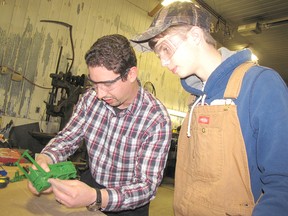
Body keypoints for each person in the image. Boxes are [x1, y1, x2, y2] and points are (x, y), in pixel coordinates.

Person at [131, 2, 288, 216]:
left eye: (165, 49)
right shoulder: (195, 99)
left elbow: (282, 183)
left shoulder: (260, 84)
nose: (164, 63)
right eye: (159, 55)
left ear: (195, 36)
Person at [28, 34, 172, 216]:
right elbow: (68, 138)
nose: (99, 94)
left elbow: (146, 187)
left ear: (131, 74)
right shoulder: (90, 99)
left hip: (129, 205)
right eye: (94, 84)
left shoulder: (156, 120)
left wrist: (95, 197)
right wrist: (46, 159)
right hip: (91, 184)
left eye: (106, 85)